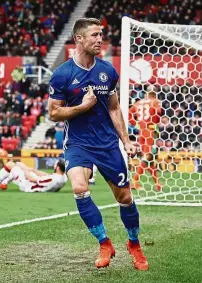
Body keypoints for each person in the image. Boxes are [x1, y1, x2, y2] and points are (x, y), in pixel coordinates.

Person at [47, 18, 148, 270]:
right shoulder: (62, 75)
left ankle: (134, 244)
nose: (99, 39)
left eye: (101, 34)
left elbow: (114, 109)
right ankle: (104, 243)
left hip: (107, 144)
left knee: (124, 197)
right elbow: (54, 113)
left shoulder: (107, 72)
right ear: (79, 39)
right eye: (94, 35)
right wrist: (82, 107)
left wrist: (126, 141)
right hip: (78, 143)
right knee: (79, 187)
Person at [128, 85, 162, 191]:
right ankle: (134, 181)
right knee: (147, 157)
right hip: (150, 130)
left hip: (141, 131)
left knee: (149, 159)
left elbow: (129, 114)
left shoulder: (138, 102)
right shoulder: (155, 101)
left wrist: (137, 125)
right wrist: (154, 124)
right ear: (155, 93)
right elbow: (158, 113)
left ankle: (157, 184)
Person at [0, 159, 67, 193]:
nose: (54, 166)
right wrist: (31, 169)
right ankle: (4, 183)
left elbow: (31, 179)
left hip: (28, 185)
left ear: (58, 167)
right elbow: (45, 175)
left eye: (55, 165)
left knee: (11, 165)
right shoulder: (63, 178)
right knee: (17, 167)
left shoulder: (53, 179)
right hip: (38, 183)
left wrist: (24, 168)